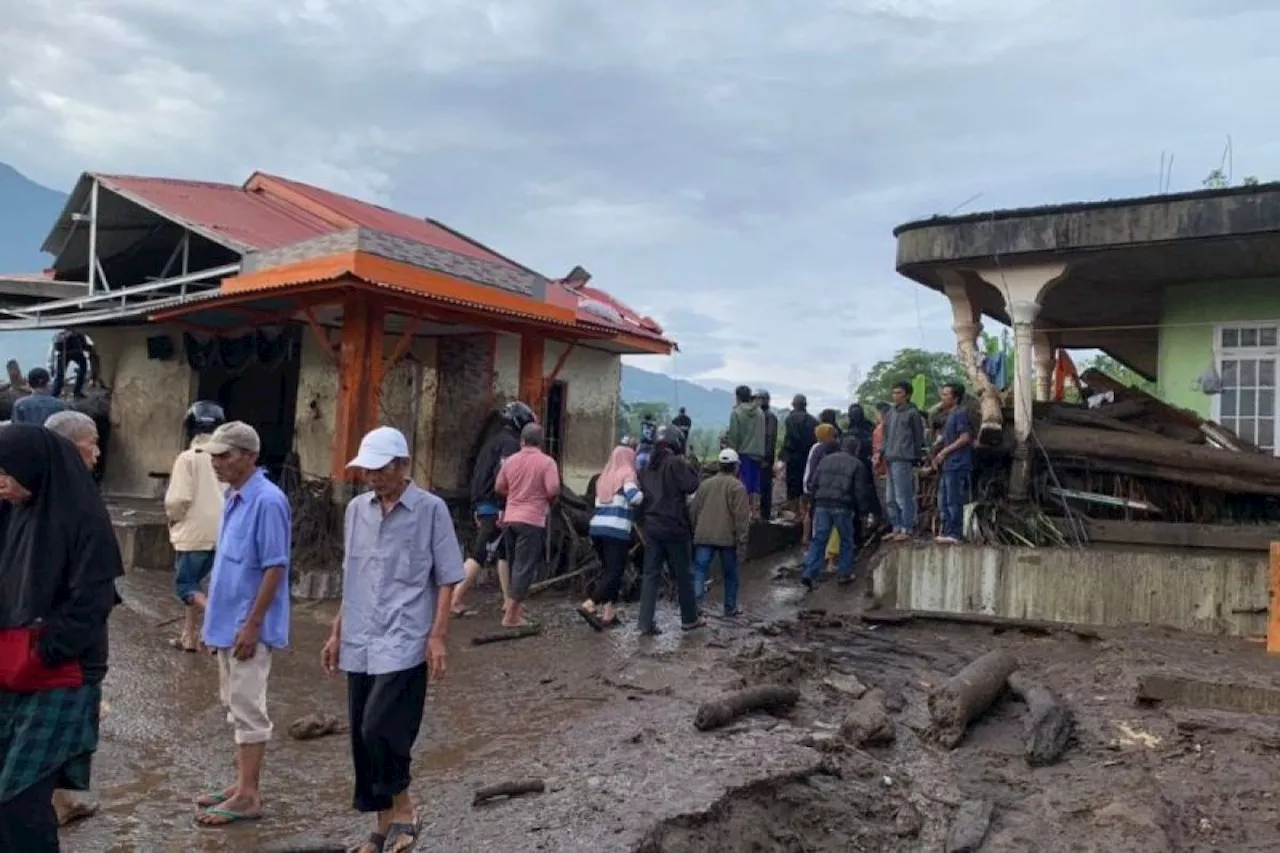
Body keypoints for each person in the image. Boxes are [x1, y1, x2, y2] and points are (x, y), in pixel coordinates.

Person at [321, 427, 463, 853]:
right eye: (367, 470)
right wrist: (336, 630)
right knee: (361, 738)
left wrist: (437, 636)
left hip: (405, 635)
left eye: (381, 469)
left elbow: (448, 578)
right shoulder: (356, 511)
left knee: (382, 725)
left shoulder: (431, 510)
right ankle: (383, 825)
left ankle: (405, 808)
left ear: (403, 466)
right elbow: (354, 576)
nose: (372, 477)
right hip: (360, 636)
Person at [0, 425, 123, 851]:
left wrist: (44, 650)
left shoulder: (82, 518)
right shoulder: (14, 513)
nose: (1, 480)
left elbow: (92, 603)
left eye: (7, 471)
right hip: (12, 672)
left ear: (34, 469)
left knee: (20, 798)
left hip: (61, 675)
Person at [194, 421, 292, 827]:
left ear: (250, 457)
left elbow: (274, 568)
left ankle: (249, 795)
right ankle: (241, 785)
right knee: (234, 705)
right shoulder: (235, 497)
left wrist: (252, 625)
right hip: (227, 622)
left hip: (247, 625)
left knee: (249, 707)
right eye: (214, 455)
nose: (217, 463)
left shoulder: (268, 501)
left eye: (225, 455)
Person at [451, 401, 535, 617]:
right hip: (494, 505)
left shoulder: (492, 441)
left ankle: (509, 601)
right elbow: (504, 476)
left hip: (482, 502)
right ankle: (455, 598)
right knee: (480, 552)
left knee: (503, 552)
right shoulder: (510, 444)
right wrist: (502, 505)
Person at [165, 401, 228, 653]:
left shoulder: (188, 458)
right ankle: (190, 636)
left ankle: (220, 626)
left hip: (193, 531)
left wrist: (173, 517)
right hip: (223, 531)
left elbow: (178, 499)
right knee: (206, 585)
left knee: (186, 586)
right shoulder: (226, 456)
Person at [636, 424, 703, 635]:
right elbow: (692, 485)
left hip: (652, 527)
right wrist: (690, 464)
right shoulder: (675, 463)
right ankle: (689, 619)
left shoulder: (647, 466)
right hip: (674, 527)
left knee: (650, 575)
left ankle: (645, 623)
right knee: (683, 574)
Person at [494, 422, 560, 629]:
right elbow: (553, 489)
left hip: (511, 518)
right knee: (525, 569)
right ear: (541, 442)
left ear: (522, 441)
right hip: (532, 520)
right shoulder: (547, 463)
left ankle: (515, 610)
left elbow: (499, 487)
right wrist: (541, 498)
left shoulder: (511, 461)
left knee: (515, 566)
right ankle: (511, 616)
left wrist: (514, 494)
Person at [578, 445, 643, 630]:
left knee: (609, 571)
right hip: (616, 530)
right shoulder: (627, 473)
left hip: (597, 529)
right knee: (615, 572)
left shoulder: (603, 477)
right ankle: (590, 604)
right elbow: (634, 497)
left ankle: (609, 613)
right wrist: (643, 495)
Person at [802, 435, 875, 588]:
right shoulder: (857, 464)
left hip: (822, 503)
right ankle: (844, 573)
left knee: (819, 538)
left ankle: (810, 572)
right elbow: (860, 491)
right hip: (843, 505)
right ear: (856, 449)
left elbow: (814, 483)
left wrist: (813, 502)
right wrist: (864, 512)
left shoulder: (826, 460)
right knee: (846, 540)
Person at [689, 448, 751, 617]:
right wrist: (742, 541)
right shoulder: (737, 487)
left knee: (700, 570)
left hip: (703, 536)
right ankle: (730, 608)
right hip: (727, 539)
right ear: (735, 467)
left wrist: (696, 529)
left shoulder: (705, 485)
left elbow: (693, 510)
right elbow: (741, 518)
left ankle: (695, 606)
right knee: (730, 574)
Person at [930, 383, 975, 544]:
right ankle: (948, 530)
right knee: (944, 500)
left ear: (955, 398)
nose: (942, 398)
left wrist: (945, 451)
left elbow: (965, 437)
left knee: (953, 499)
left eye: (946, 395)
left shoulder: (959, 414)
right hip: (948, 464)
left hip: (957, 463)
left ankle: (955, 533)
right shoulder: (949, 415)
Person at [882, 381, 926, 542]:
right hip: (890, 457)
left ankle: (907, 528)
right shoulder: (890, 413)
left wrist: (916, 457)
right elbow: (886, 436)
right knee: (890, 498)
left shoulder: (913, 414)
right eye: (894, 393)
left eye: (899, 393)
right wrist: (882, 453)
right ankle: (896, 526)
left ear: (907, 395)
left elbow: (918, 437)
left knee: (903, 496)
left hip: (904, 458)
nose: (895, 396)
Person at [725, 385, 766, 519]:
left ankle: (743, 514)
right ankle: (754, 513)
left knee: (742, 485)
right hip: (758, 453)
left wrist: (732, 451)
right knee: (754, 486)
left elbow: (734, 436)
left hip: (743, 453)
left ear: (737, 397)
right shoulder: (759, 412)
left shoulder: (736, 413)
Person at [782, 394, 819, 534]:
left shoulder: (789, 419)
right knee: (805, 486)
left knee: (792, 486)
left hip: (792, 457)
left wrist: (783, 456)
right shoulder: (813, 421)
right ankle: (805, 513)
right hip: (807, 456)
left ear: (793, 404)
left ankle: (796, 514)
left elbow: (788, 439)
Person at [49, 330, 94, 399]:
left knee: (61, 374)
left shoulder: (74, 333)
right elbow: (54, 346)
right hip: (68, 349)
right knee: (61, 374)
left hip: (70, 350)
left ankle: (57, 394)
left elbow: (53, 347)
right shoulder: (62, 333)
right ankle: (57, 394)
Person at [756, 389, 779, 520]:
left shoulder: (769, 417)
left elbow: (770, 438)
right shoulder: (759, 416)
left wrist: (766, 457)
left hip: (764, 458)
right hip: (758, 456)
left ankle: (765, 514)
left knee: (765, 487)